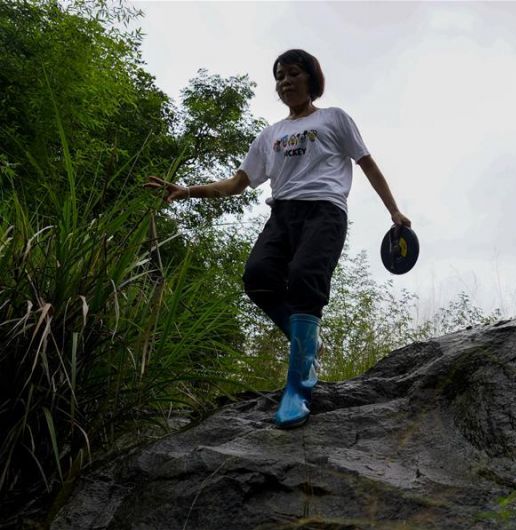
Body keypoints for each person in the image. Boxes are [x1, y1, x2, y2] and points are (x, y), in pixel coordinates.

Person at [146, 49, 411, 429]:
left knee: (305, 279)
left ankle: (297, 389)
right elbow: (237, 184)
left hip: (324, 211)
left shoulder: (334, 118)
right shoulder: (269, 135)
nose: (285, 81)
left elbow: (366, 163)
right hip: (282, 214)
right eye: (280, 76)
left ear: (311, 79)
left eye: (293, 73)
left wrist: (394, 211)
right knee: (257, 276)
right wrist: (188, 191)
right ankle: (308, 342)